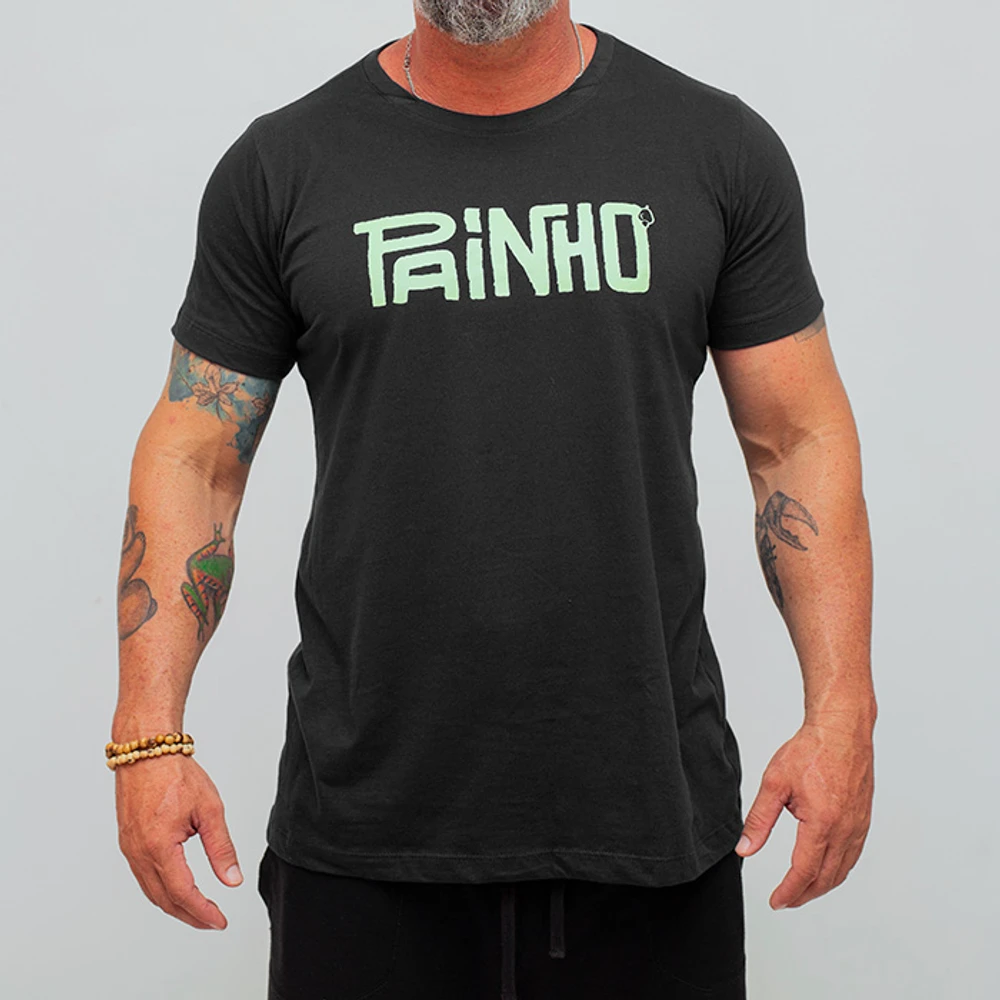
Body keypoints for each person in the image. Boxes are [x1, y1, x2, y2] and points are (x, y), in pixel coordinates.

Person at [110, 1, 877, 997]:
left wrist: (841, 714)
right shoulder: (283, 166)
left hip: (647, 828)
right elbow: (197, 452)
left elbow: (796, 440)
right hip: (365, 844)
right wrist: (147, 735)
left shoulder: (714, 149)